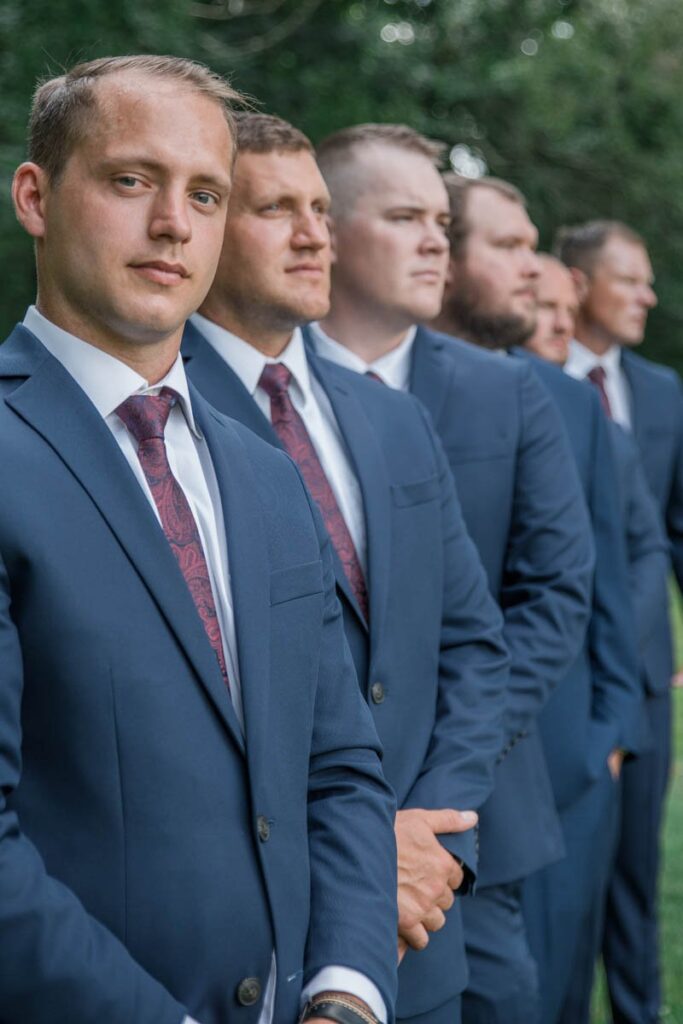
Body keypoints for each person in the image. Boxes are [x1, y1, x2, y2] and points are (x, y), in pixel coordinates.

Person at [0, 57, 401, 1024]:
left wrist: (347, 988)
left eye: (206, 193)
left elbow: (338, 763)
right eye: (132, 181)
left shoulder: (262, 471)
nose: (174, 222)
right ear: (36, 196)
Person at [182, 113, 511, 1024]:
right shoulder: (159, 422)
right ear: (207, 229)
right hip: (271, 933)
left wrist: (431, 835)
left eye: (321, 209)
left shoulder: (388, 417)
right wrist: (365, 858)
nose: (312, 234)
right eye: (275, 208)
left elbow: (474, 645)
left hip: (424, 919)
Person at [311, 124, 594, 1024]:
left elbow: (552, 594)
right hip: (299, 828)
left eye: (441, 218)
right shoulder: (250, 391)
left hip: (472, 826)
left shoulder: (506, 392)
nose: (437, 238)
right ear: (328, 229)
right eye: (405, 216)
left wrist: (440, 787)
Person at [520, 255, 669, 1023]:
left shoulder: (604, 425)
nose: (553, 324)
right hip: (521, 728)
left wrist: (611, 716)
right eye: (537, 308)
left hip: (606, 706)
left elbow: (639, 552)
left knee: (610, 907)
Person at [556, 221, 683, 1024]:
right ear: (576, 284)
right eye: (629, 279)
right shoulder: (520, 378)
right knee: (565, 888)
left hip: (646, 680)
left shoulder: (663, 391)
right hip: (563, 683)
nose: (648, 295)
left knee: (637, 882)